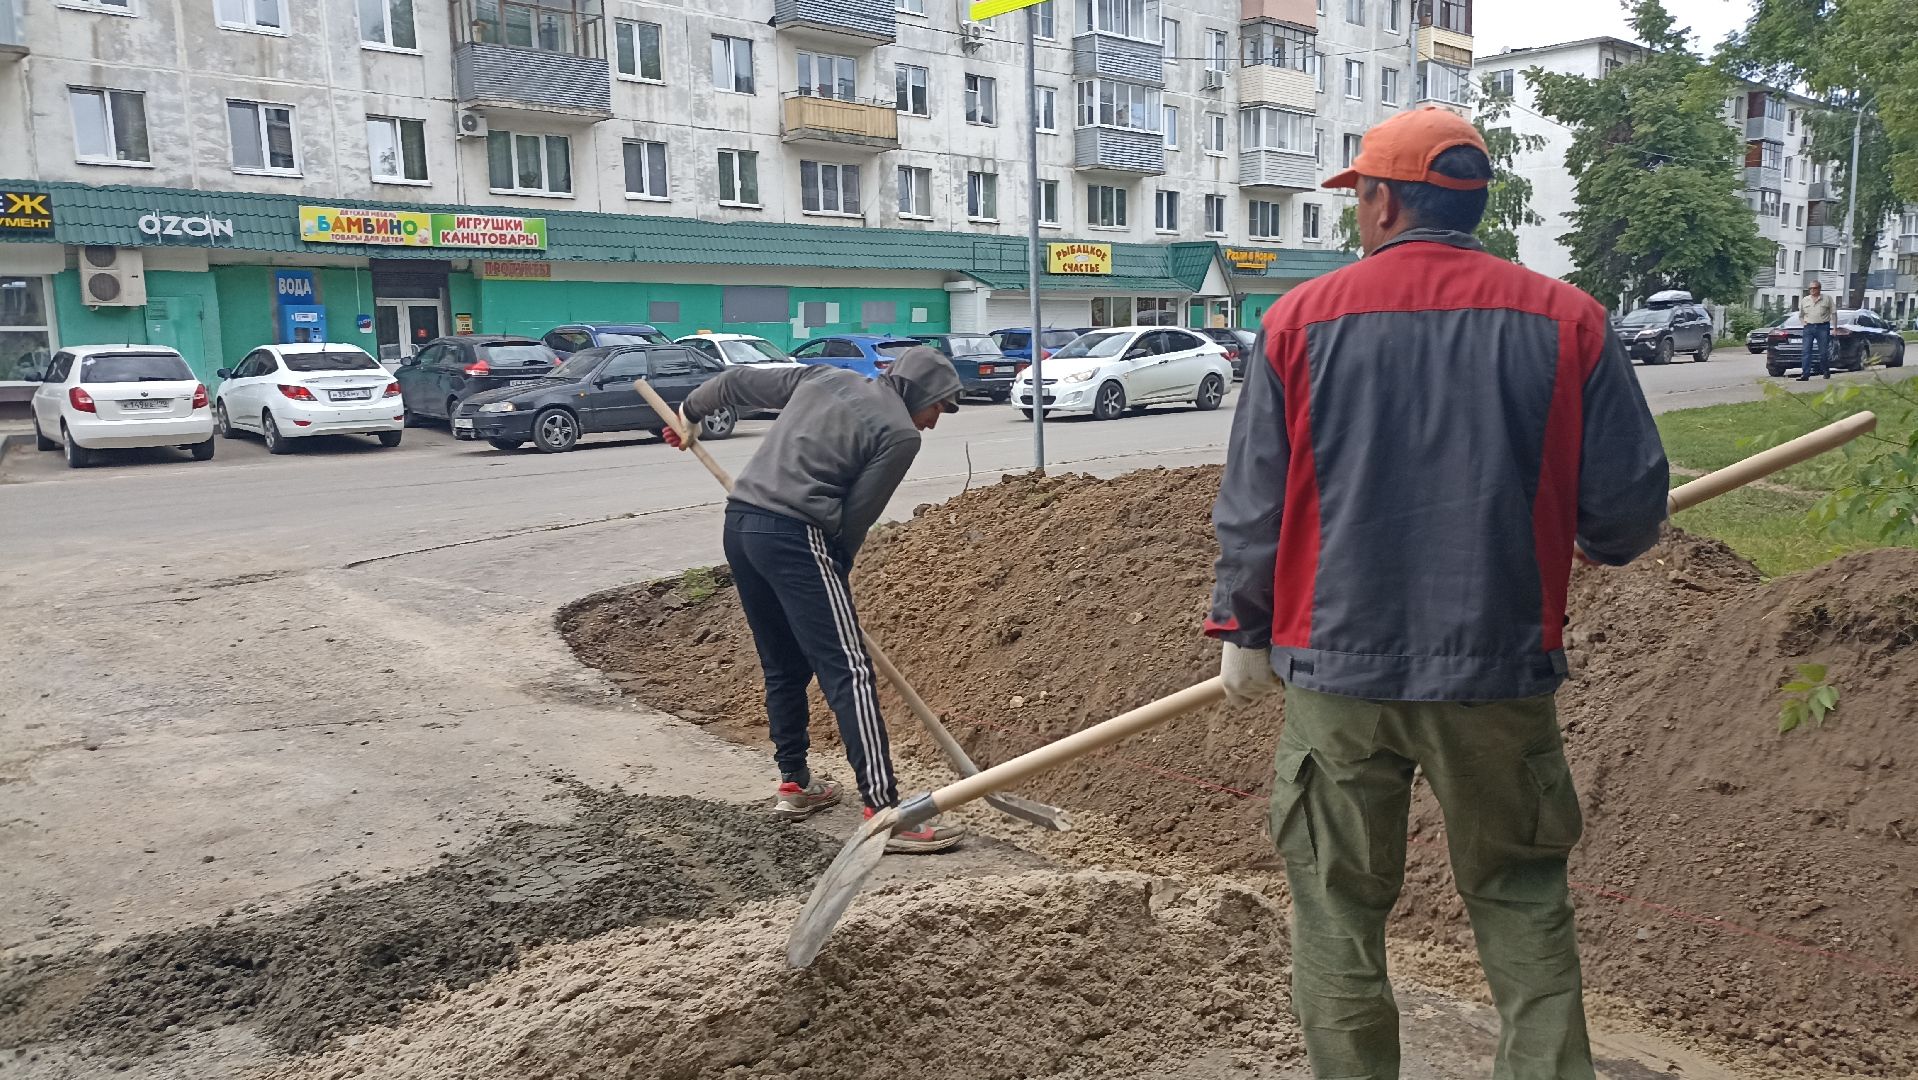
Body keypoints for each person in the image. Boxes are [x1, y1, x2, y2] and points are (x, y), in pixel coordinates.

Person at [1206, 107, 1670, 1080]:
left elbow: (1253, 512)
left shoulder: (1296, 322)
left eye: (1358, 196)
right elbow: (1625, 515)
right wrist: (1576, 528)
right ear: (1471, 201)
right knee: (1520, 895)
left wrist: (1241, 626)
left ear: (1380, 199)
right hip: (1499, 673)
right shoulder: (1569, 320)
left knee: (1336, 913)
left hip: (1336, 677)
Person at [665, 346, 968, 854]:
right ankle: (884, 813)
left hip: (741, 524)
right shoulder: (899, 434)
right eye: (939, 407)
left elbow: (735, 381)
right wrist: (833, 579)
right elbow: (855, 519)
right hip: (796, 536)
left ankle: (796, 783)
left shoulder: (825, 377)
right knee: (848, 668)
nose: (935, 422)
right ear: (922, 394)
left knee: (782, 663)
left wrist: (688, 414)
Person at [1798, 281, 1835, 381]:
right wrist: (1803, 323)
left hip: (1822, 327)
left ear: (1819, 289)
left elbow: (1834, 313)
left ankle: (1826, 370)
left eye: (1814, 288)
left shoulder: (1827, 299)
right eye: (1810, 288)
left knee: (1823, 352)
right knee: (1806, 351)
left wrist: (1835, 328)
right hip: (1809, 327)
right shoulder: (1805, 300)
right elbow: (1801, 315)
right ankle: (1805, 374)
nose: (1812, 290)